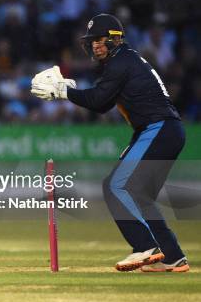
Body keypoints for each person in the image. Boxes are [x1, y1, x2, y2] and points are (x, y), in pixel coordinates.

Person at [30, 14, 189, 273]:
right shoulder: (125, 60)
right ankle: (172, 256)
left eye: (101, 40)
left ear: (115, 39)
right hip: (164, 129)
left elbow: (98, 101)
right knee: (140, 195)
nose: (96, 46)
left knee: (116, 186)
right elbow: (102, 102)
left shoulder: (121, 61)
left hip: (158, 128)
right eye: (92, 41)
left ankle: (146, 247)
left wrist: (63, 91)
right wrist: (72, 90)